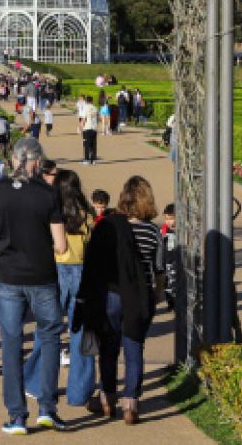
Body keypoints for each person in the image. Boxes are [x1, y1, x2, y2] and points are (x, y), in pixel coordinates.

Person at [0, 137, 69, 434]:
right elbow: (61, 245)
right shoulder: (48, 194)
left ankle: (17, 415)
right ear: (36, 162)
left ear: (14, 160)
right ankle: (47, 408)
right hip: (41, 274)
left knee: (12, 342)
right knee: (50, 337)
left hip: (8, 275)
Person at [74, 175, 161, 425]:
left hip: (112, 293)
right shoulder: (153, 232)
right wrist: (156, 293)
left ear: (124, 198)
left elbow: (96, 261)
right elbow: (159, 268)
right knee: (135, 348)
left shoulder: (112, 226)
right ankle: (131, 402)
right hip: (140, 295)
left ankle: (106, 398)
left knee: (109, 348)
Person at [24, 168, 95, 410]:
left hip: (56, 270)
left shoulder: (51, 210)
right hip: (82, 272)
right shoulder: (87, 213)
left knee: (47, 329)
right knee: (82, 333)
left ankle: (36, 383)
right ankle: (80, 391)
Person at [78, 96, 99, 164]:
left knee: (86, 145)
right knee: (93, 145)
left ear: (86, 101)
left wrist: (81, 127)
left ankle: (86, 159)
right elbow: (98, 118)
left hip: (87, 128)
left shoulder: (85, 108)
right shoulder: (95, 108)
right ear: (92, 101)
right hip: (94, 128)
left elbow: (84, 119)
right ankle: (93, 160)